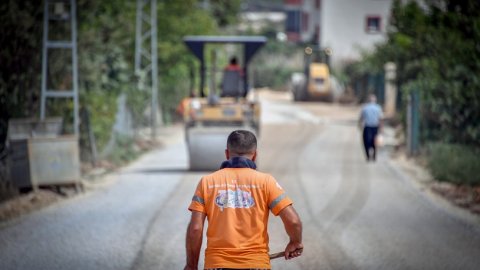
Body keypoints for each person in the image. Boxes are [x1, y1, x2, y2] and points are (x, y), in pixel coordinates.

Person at [184, 130, 303, 270]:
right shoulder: (266, 182)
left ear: (227, 154)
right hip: (257, 264)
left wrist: (191, 266)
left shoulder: (207, 182)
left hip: (216, 265)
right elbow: (293, 221)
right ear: (255, 155)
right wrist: (295, 242)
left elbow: (196, 229)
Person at [359, 94, 383, 161]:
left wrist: (360, 126)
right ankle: (374, 155)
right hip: (375, 127)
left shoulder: (365, 107)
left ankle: (368, 156)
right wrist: (381, 128)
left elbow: (361, 118)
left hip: (367, 127)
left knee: (366, 141)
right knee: (375, 141)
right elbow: (380, 119)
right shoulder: (378, 108)